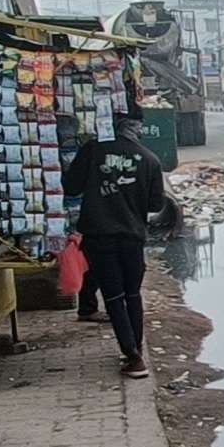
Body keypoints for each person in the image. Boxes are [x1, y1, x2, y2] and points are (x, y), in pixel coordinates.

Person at [62, 104, 167, 379]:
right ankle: (136, 352)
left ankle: (133, 356)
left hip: (99, 235)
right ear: (137, 127)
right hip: (132, 236)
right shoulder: (150, 159)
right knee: (132, 294)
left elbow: (71, 186)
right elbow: (156, 204)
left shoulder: (94, 150)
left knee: (113, 296)